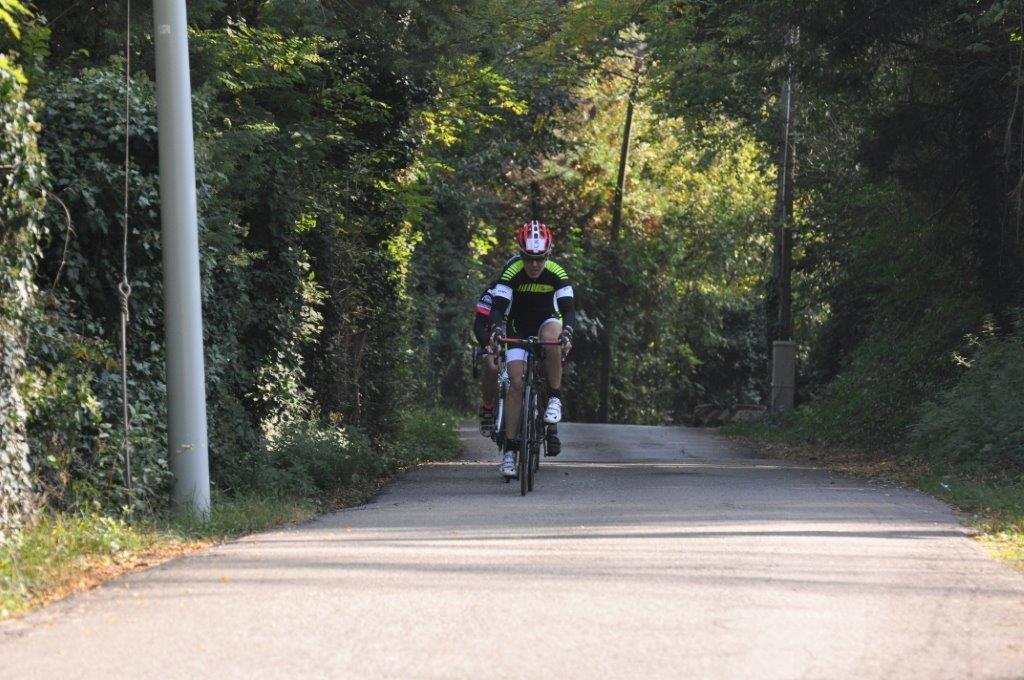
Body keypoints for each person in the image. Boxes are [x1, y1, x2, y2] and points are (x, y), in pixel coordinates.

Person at [487, 221, 575, 477]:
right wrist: (496, 330)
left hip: (547, 322)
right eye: (528, 258)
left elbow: (568, 310)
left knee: (553, 337)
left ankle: (555, 397)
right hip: (518, 328)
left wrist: (568, 332)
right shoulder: (512, 272)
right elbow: (497, 308)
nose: (535, 264)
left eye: (540, 258)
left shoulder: (557, 273)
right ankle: (510, 451)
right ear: (521, 254)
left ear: (548, 254)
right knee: (516, 382)